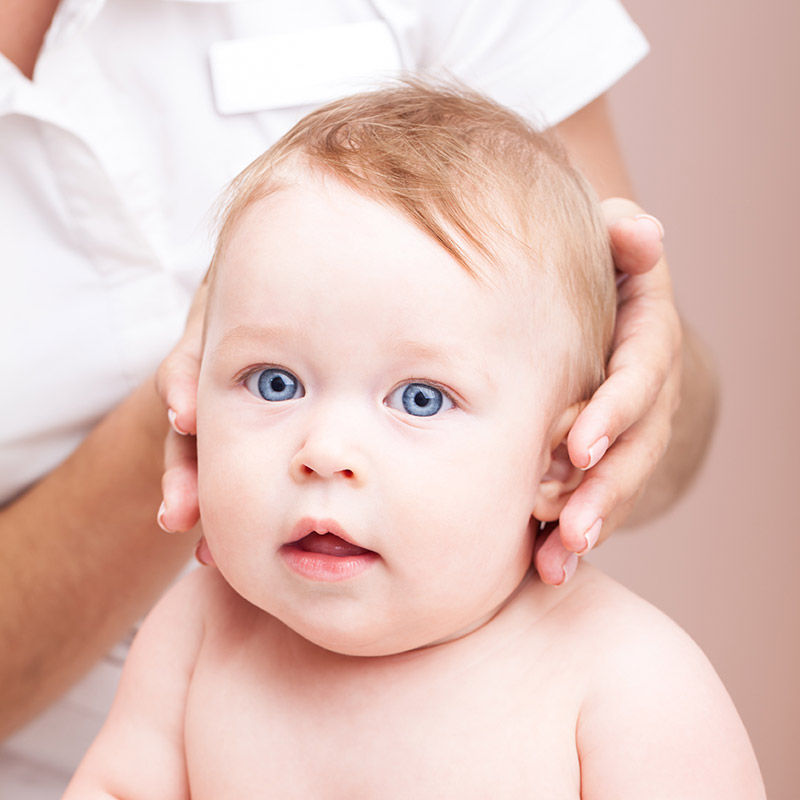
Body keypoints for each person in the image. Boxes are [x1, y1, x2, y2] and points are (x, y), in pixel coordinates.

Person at [0, 1, 714, 795]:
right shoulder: (199, 636)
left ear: (557, 459)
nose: (324, 452)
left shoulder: (623, 681)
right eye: (275, 384)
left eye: (418, 399)